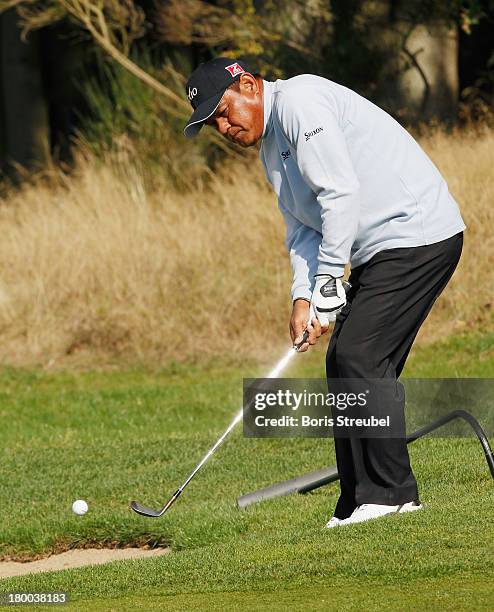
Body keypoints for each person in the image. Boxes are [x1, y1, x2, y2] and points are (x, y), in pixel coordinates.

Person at [183, 57, 465, 527]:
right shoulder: (271, 148)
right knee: (343, 361)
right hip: (382, 249)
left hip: (417, 233)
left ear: (249, 85)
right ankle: (358, 499)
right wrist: (303, 297)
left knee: (360, 354)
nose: (224, 127)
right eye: (213, 123)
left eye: (225, 112)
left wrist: (330, 285)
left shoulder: (301, 103)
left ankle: (393, 495)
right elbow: (303, 227)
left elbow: (339, 194)